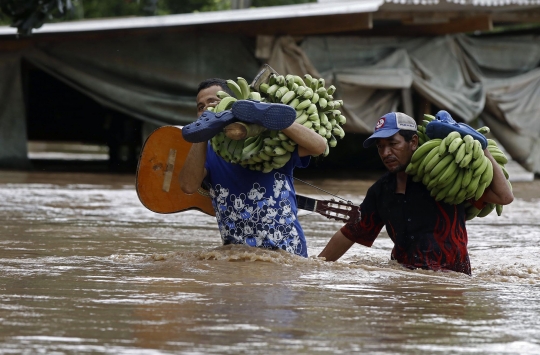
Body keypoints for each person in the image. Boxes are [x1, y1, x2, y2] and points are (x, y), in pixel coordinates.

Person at [318, 112, 514, 275]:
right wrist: (313, 268)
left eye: (393, 144)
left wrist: (483, 148)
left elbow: (504, 197)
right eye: (380, 147)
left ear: (413, 142)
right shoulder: (381, 191)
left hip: (452, 281)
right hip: (405, 280)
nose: (386, 153)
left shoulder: (445, 178)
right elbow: (350, 233)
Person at [179, 78, 327, 257]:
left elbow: (319, 146)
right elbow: (188, 186)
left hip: (286, 251)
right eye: (200, 107)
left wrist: (274, 121)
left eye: (213, 103)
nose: (206, 109)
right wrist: (201, 132)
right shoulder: (206, 151)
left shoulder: (267, 142)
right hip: (237, 256)